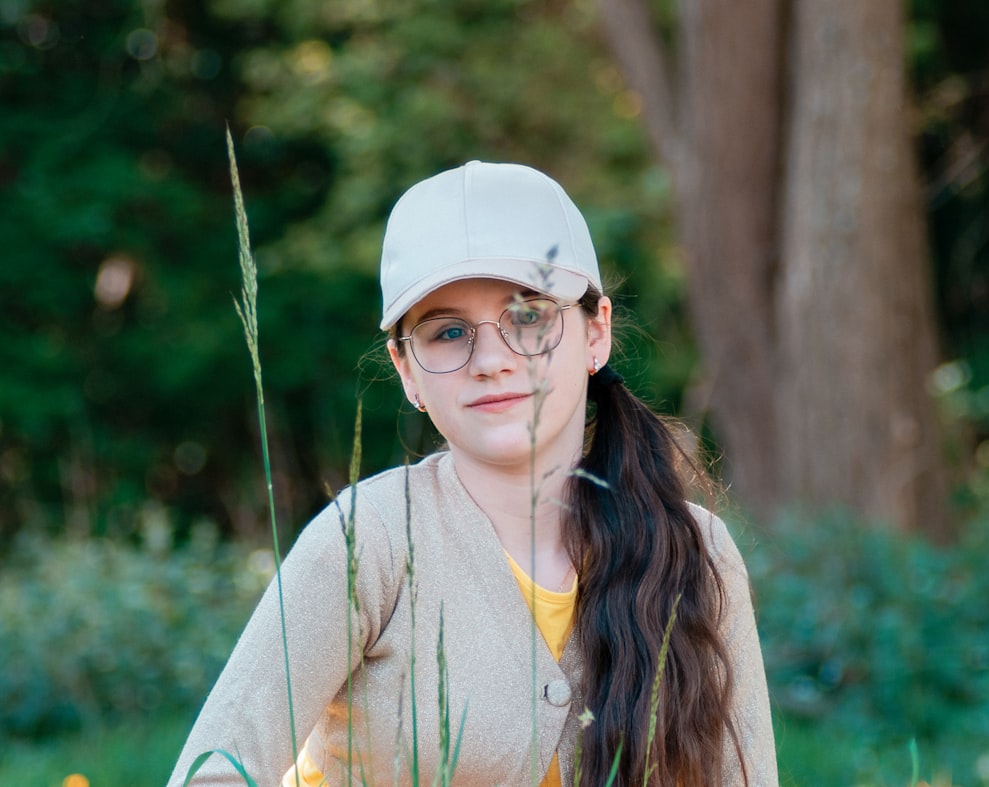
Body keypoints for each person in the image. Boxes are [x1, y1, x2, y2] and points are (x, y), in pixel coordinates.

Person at [167, 160, 778, 786]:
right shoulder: (367, 542)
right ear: (406, 370)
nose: (490, 360)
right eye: (449, 332)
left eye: (530, 316)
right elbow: (212, 772)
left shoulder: (696, 553)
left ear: (596, 333)